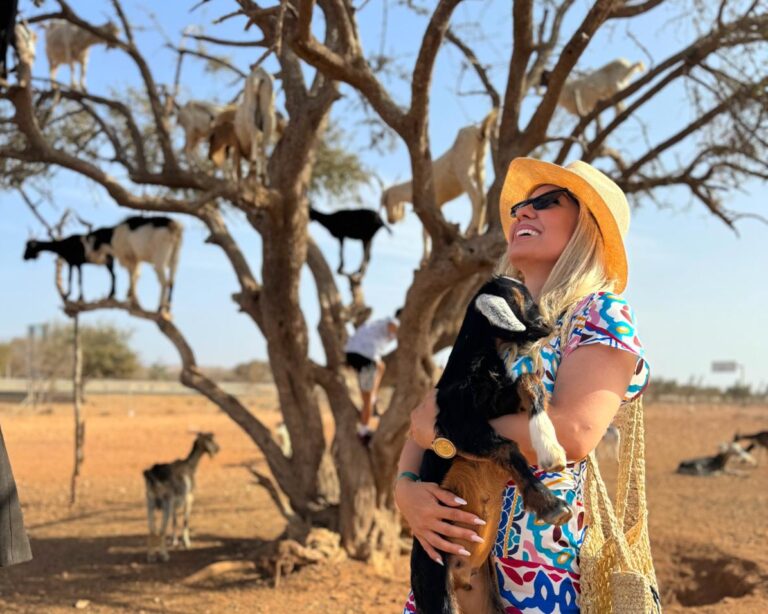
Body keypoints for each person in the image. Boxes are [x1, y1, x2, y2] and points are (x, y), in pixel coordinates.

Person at [395, 158, 650, 612]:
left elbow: (569, 434)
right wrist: (407, 491)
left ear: (586, 225)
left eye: (545, 203)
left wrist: (449, 434)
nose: (522, 213)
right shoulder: (492, 316)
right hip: (449, 568)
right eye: (519, 208)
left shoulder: (598, 313)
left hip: (539, 577)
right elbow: (427, 416)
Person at [345, 307, 402, 442]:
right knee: (367, 398)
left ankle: (373, 398)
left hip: (354, 353)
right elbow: (395, 328)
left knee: (381, 367)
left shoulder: (380, 322)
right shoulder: (395, 322)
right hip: (365, 356)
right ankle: (363, 432)